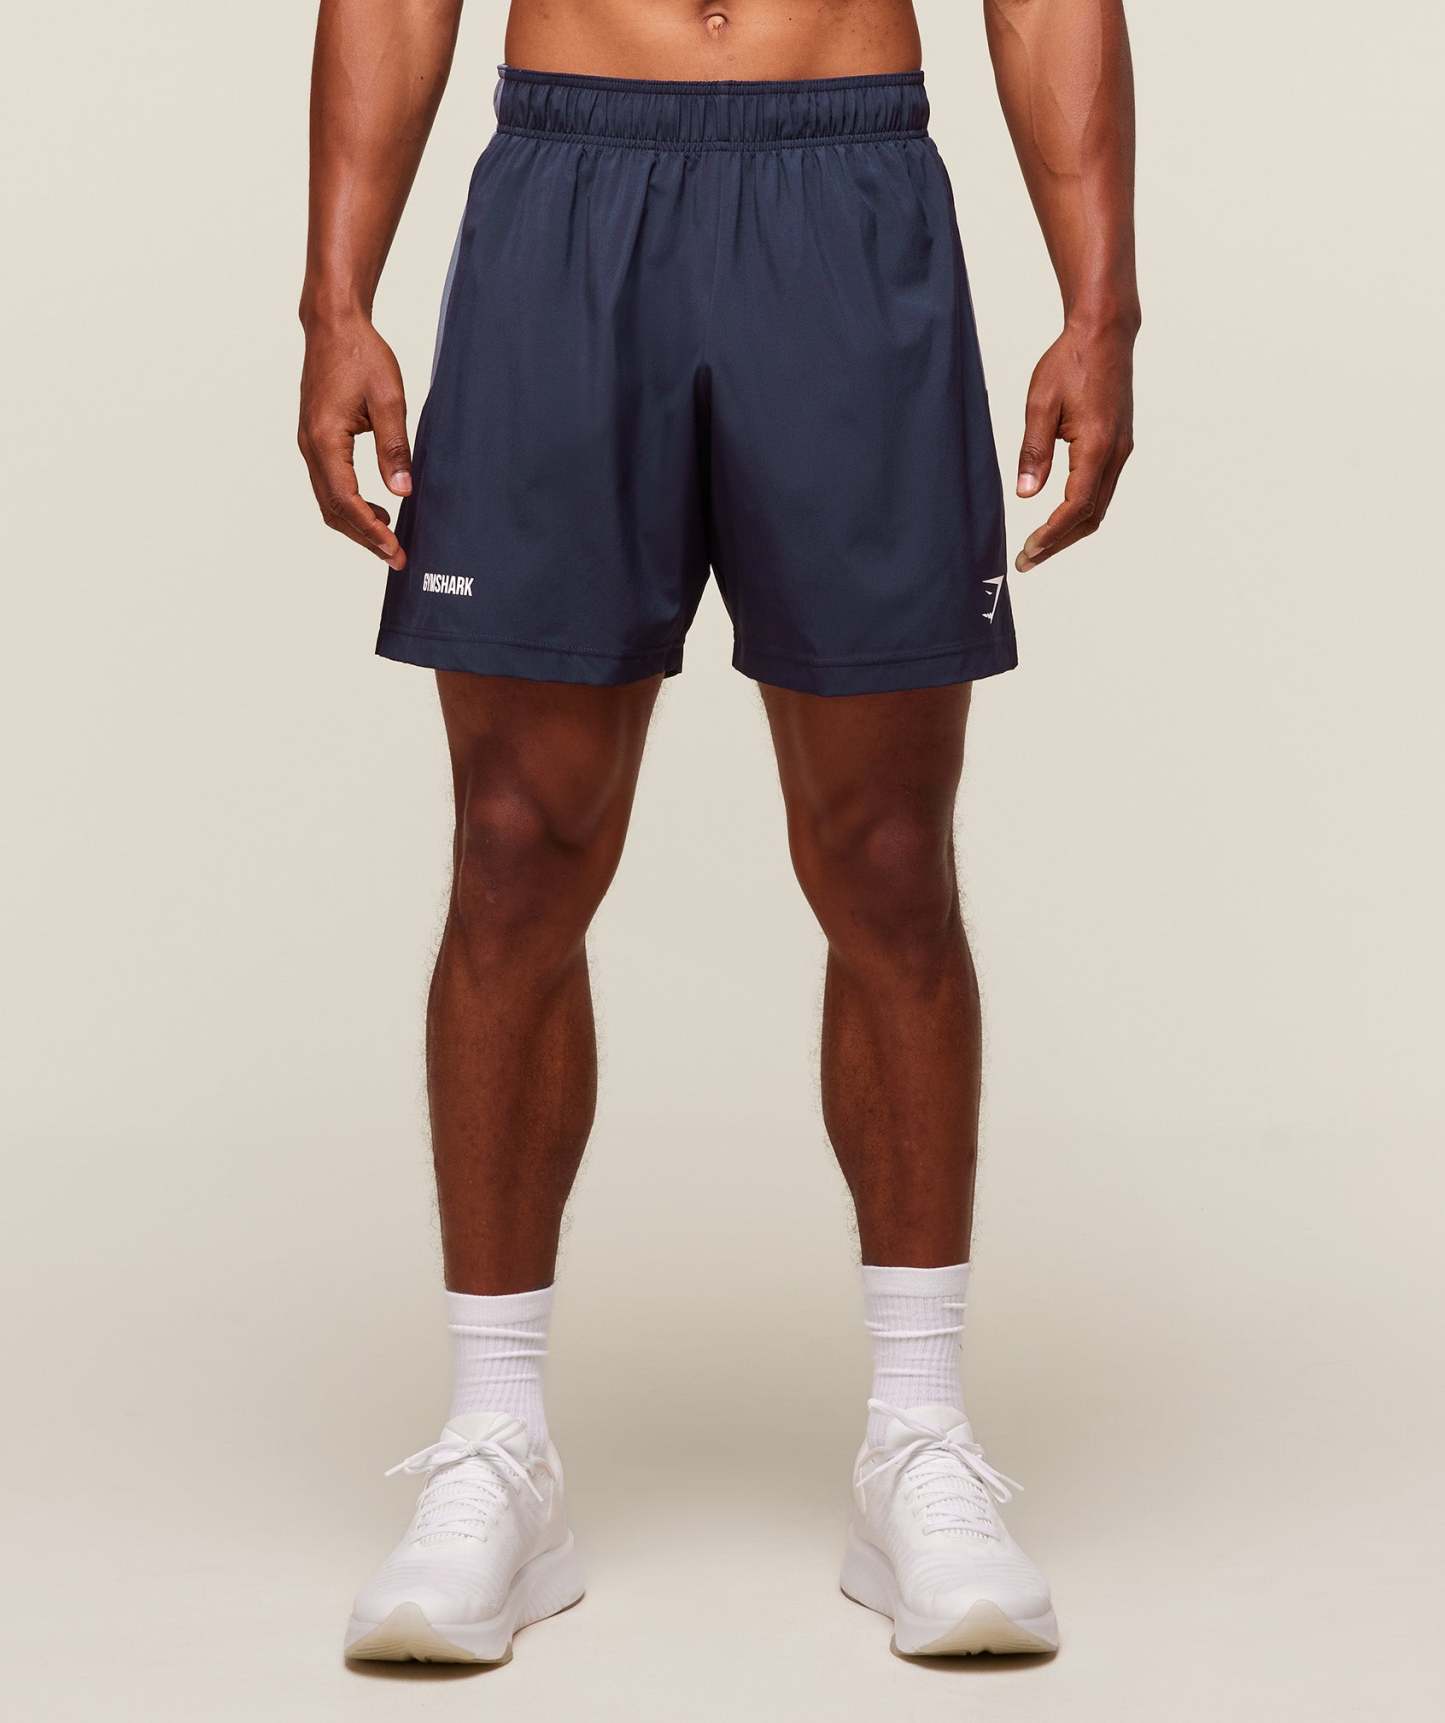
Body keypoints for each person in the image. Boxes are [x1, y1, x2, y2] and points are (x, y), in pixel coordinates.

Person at [299, 0, 1137, 1664]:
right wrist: (336, 301)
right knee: (516, 845)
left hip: (846, 186)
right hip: (564, 186)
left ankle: (917, 1441)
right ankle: (495, 1447)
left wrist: (1098, 306)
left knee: (886, 856)